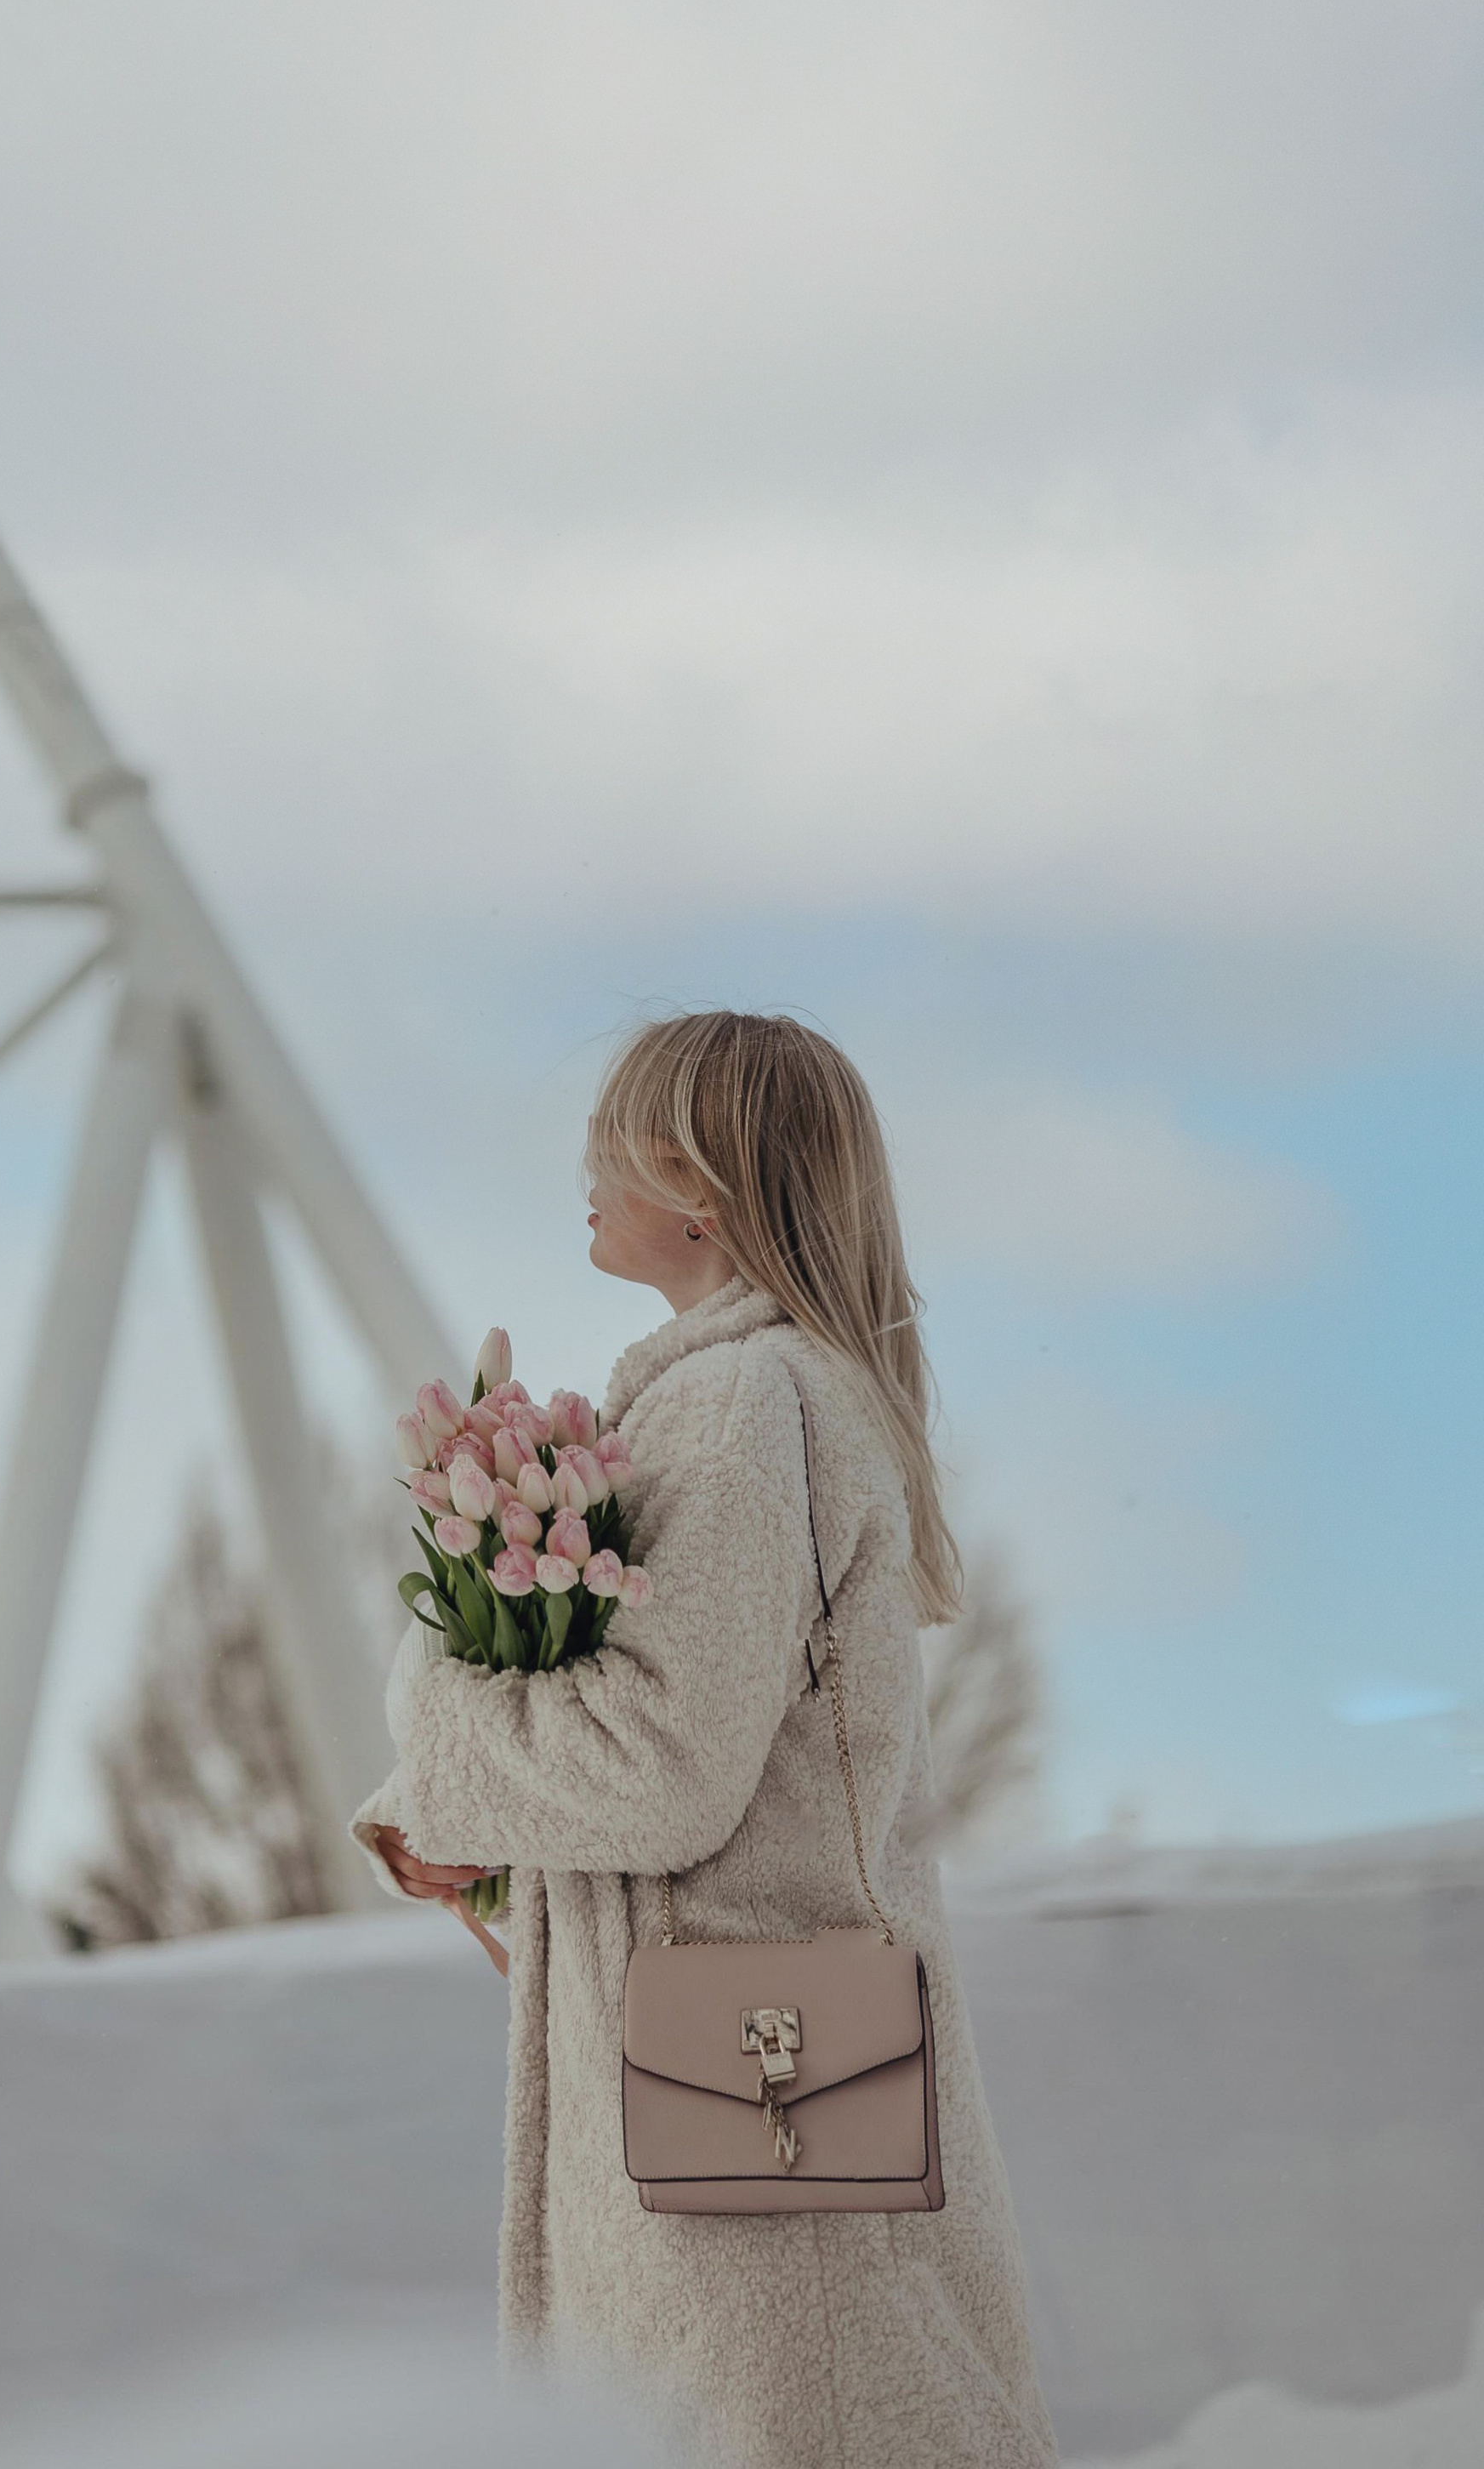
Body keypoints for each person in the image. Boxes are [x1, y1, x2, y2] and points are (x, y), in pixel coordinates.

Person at [355, 1010, 1058, 2469]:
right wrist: (474, 1846)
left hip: (760, 2143)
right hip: (761, 2104)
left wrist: (439, 1734)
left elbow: (660, 1766)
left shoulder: (743, 1404)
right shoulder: (767, 1394)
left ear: (705, 1183)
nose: (586, 1169)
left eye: (616, 1136)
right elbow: (717, 1754)